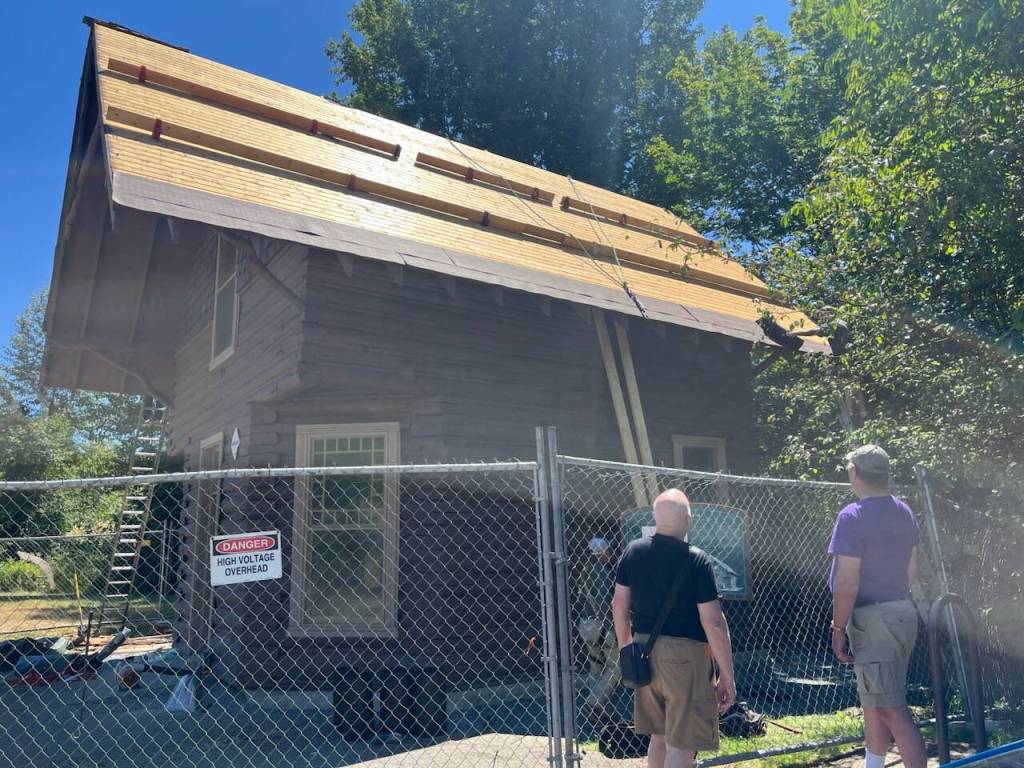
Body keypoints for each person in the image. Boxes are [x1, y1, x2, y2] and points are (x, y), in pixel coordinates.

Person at [612, 489, 737, 768]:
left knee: (659, 737)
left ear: (655, 517)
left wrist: (626, 648)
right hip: (686, 658)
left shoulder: (633, 551)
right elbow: (713, 622)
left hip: (643, 651)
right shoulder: (697, 560)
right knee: (682, 745)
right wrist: (727, 675)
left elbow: (619, 605)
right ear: (688, 519)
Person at [829, 445, 926, 768]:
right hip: (902, 612)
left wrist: (838, 628)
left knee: (890, 708)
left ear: (854, 472)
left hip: (873, 620)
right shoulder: (904, 511)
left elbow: (846, 582)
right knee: (874, 701)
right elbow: (912, 569)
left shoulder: (852, 515)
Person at [580, 536, 621, 722]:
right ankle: (593, 702)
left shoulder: (585, 570)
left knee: (596, 666)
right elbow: (604, 602)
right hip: (601, 625)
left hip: (585, 624)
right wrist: (613, 628)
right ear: (602, 552)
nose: (610, 554)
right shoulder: (602, 571)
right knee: (616, 666)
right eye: (608, 551)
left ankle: (596, 711)